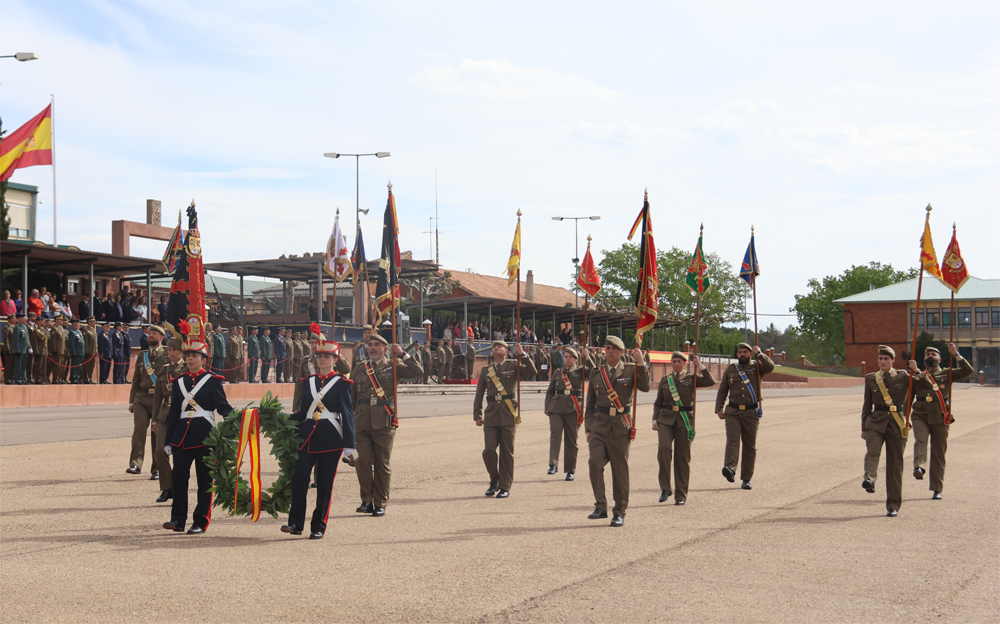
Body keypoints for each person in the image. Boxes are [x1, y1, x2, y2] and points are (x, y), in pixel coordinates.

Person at [282, 338, 355, 539]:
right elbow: (304, 411)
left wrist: (350, 445)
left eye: (327, 356)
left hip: (331, 438)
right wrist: (280, 419)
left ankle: (318, 526)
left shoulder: (341, 383)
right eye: (320, 356)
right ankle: (295, 523)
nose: (322, 359)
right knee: (299, 479)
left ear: (335, 359)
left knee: (324, 484)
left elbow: (347, 414)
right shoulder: (310, 381)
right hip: (307, 437)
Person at [162, 337, 233, 535]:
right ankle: (177, 519)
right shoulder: (180, 382)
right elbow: (174, 413)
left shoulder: (212, 381)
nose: (190, 359)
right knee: (179, 478)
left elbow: (224, 408)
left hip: (206, 435)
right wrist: (168, 441)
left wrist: (236, 423)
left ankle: (200, 521)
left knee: (205, 480)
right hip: (182, 436)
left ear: (204, 359)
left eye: (194, 355)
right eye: (188, 355)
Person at [349, 333, 423, 517]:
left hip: (384, 420)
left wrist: (403, 354)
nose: (372, 347)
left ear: (385, 348)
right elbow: (352, 397)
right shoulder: (359, 367)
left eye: (377, 345)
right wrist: (348, 422)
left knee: (382, 463)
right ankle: (366, 500)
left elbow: (417, 372)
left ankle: (380, 502)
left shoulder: (394, 365)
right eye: (370, 344)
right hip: (362, 421)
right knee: (362, 462)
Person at [584, 335, 650, 527]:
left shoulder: (630, 369)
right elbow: (590, 404)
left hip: (620, 426)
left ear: (622, 352)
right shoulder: (596, 372)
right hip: (599, 426)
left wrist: (641, 363)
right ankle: (600, 506)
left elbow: (645, 387)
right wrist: (588, 429)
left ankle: (619, 511)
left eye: (614, 348)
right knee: (594, 463)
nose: (609, 350)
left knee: (619, 470)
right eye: (607, 347)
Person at [473, 340, 537, 498]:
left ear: (506, 351)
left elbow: (532, 371)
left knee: (507, 452)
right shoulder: (486, 370)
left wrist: (523, 354)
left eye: (500, 346)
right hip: (491, 414)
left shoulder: (514, 365)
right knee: (488, 450)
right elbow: (479, 393)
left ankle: (505, 486)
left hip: (508, 413)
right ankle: (494, 480)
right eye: (494, 346)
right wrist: (477, 414)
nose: (496, 347)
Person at [909, 343, 973, 500]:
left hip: (940, 415)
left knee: (939, 453)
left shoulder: (947, 373)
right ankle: (919, 467)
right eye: (927, 355)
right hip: (920, 414)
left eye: (933, 354)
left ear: (939, 358)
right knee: (921, 438)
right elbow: (908, 398)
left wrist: (956, 354)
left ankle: (937, 488)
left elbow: (968, 371)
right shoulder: (915, 375)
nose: (930, 356)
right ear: (923, 359)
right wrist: (904, 417)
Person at [861, 346, 918, 517]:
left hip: (897, 423)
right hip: (875, 422)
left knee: (895, 464)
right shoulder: (871, 378)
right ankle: (869, 479)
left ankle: (893, 505)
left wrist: (917, 371)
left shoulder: (904, 376)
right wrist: (864, 427)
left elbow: (924, 385)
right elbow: (866, 404)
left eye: (886, 359)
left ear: (892, 360)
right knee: (873, 452)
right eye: (880, 359)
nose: (883, 362)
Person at [652, 352, 715, 505]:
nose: (676, 364)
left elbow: (710, 381)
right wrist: (655, 418)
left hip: (684, 420)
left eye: (679, 361)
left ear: (685, 363)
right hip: (666, 419)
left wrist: (699, 365)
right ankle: (665, 488)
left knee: (682, 458)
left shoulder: (691, 377)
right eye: (673, 361)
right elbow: (658, 402)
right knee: (664, 449)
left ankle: (681, 495)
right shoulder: (665, 380)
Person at [715, 342, 774, 490]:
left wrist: (759, 353)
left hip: (750, 413)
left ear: (750, 354)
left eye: (745, 352)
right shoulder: (731, 369)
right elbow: (723, 390)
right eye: (740, 352)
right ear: (737, 355)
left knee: (749, 446)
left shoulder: (758, 367)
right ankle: (730, 468)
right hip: (733, 412)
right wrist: (719, 408)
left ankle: (746, 478)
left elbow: (771, 366)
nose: (742, 354)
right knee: (732, 441)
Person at [543, 346, 591, 481]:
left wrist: (587, 357)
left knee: (571, 439)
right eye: (565, 356)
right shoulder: (558, 372)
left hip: (574, 408)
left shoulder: (582, 371)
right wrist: (547, 406)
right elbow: (550, 391)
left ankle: (570, 469)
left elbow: (595, 372)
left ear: (576, 359)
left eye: (570, 357)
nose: (567, 359)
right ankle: (553, 464)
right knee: (555, 435)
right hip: (556, 408)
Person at [127, 325, 169, 477]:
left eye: (154, 334)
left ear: (161, 337)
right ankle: (135, 464)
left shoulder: (167, 355)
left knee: (157, 433)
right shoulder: (142, 355)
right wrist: (132, 401)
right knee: (139, 430)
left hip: (160, 400)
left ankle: (157, 468)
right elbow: (135, 380)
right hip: (141, 398)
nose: (150, 336)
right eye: (149, 333)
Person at [151, 336, 185, 503]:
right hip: (164, 415)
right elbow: (157, 397)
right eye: (169, 350)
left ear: (181, 351)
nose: (170, 353)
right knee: (159, 451)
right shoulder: (164, 369)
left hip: (181, 415)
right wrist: (154, 420)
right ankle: (167, 487)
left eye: (174, 350)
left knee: (179, 454)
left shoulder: (187, 369)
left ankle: (177, 488)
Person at [11, 314, 31, 384]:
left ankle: (22, 378)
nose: (25, 320)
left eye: (25, 319)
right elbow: (16, 340)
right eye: (23, 318)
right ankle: (17, 378)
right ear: (19, 319)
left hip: (25, 349)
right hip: (20, 349)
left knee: (23, 364)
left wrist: (29, 348)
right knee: (18, 364)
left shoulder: (25, 327)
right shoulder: (17, 327)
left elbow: (27, 339)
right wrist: (17, 349)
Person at [67, 318, 85, 384]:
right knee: (75, 366)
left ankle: (77, 377)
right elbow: (72, 344)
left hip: (81, 352)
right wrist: (73, 352)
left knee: (79, 366)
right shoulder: (72, 333)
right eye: (76, 324)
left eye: (78, 324)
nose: (78, 325)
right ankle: (73, 378)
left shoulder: (79, 332)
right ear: (73, 325)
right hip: (76, 352)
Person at [81, 317, 98, 384]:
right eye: (92, 321)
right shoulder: (86, 330)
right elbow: (86, 342)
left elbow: (95, 342)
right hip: (89, 351)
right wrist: (86, 351)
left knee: (91, 366)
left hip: (93, 352)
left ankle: (90, 378)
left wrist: (96, 351)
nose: (94, 323)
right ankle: (85, 378)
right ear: (89, 322)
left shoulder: (93, 330)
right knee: (86, 366)